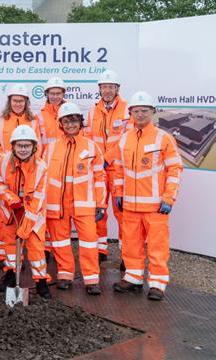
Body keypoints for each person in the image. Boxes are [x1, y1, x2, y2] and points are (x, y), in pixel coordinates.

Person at [112, 91, 183, 301]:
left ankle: (157, 284)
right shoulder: (125, 138)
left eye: (144, 111)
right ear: (130, 113)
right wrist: (118, 192)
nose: (140, 114)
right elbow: (118, 169)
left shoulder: (163, 138)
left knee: (157, 247)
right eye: (136, 111)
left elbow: (175, 169)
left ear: (152, 112)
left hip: (155, 207)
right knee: (131, 245)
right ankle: (133, 277)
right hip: (131, 207)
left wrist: (169, 198)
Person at [45, 102, 106, 295]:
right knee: (60, 241)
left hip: (84, 204)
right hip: (57, 205)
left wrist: (100, 203)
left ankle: (91, 279)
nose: (70, 125)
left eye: (74, 121)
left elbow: (99, 177)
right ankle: (65, 274)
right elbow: (43, 176)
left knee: (89, 241)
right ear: (60, 124)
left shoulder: (92, 147)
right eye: (66, 121)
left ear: (80, 122)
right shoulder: (50, 148)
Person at [0, 125, 51, 299]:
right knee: (10, 245)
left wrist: (25, 229)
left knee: (35, 247)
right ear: (13, 146)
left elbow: (38, 201)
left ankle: (41, 280)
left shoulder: (41, 167)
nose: (23, 149)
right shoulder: (4, 161)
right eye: (20, 145)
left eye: (27, 146)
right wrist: (12, 200)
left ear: (34, 146)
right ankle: (11, 273)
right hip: (11, 211)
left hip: (33, 214)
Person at [0, 83, 42, 268]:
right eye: (15, 100)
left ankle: (27, 256)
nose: (18, 104)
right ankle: (5, 258)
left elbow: (39, 147)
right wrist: (11, 161)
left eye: (21, 101)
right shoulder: (1, 121)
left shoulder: (34, 120)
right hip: (6, 177)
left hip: (29, 176)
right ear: (10, 101)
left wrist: (27, 165)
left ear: (26, 102)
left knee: (30, 217)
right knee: (4, 219)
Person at [84, 70, 132, 261]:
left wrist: (107, 158)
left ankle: (127, 254)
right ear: (100, 89)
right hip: (98, 171)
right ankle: (100, 249)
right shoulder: (91, 112)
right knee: (99, 209)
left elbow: (126, 139)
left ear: (117, 89)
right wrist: (97, 160)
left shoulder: (128, 110)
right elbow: (87, 139)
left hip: (119, 170)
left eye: (111, 87)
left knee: (123, 214)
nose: (107, 91)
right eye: (104, 87)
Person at [39, 76, 67, 148]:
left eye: (58, 93)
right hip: (46, 158)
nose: (55, 97)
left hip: (68, 157)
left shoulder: (71, 114)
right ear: (47, 94)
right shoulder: (39, 117)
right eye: (52, 93)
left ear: (63, 94)